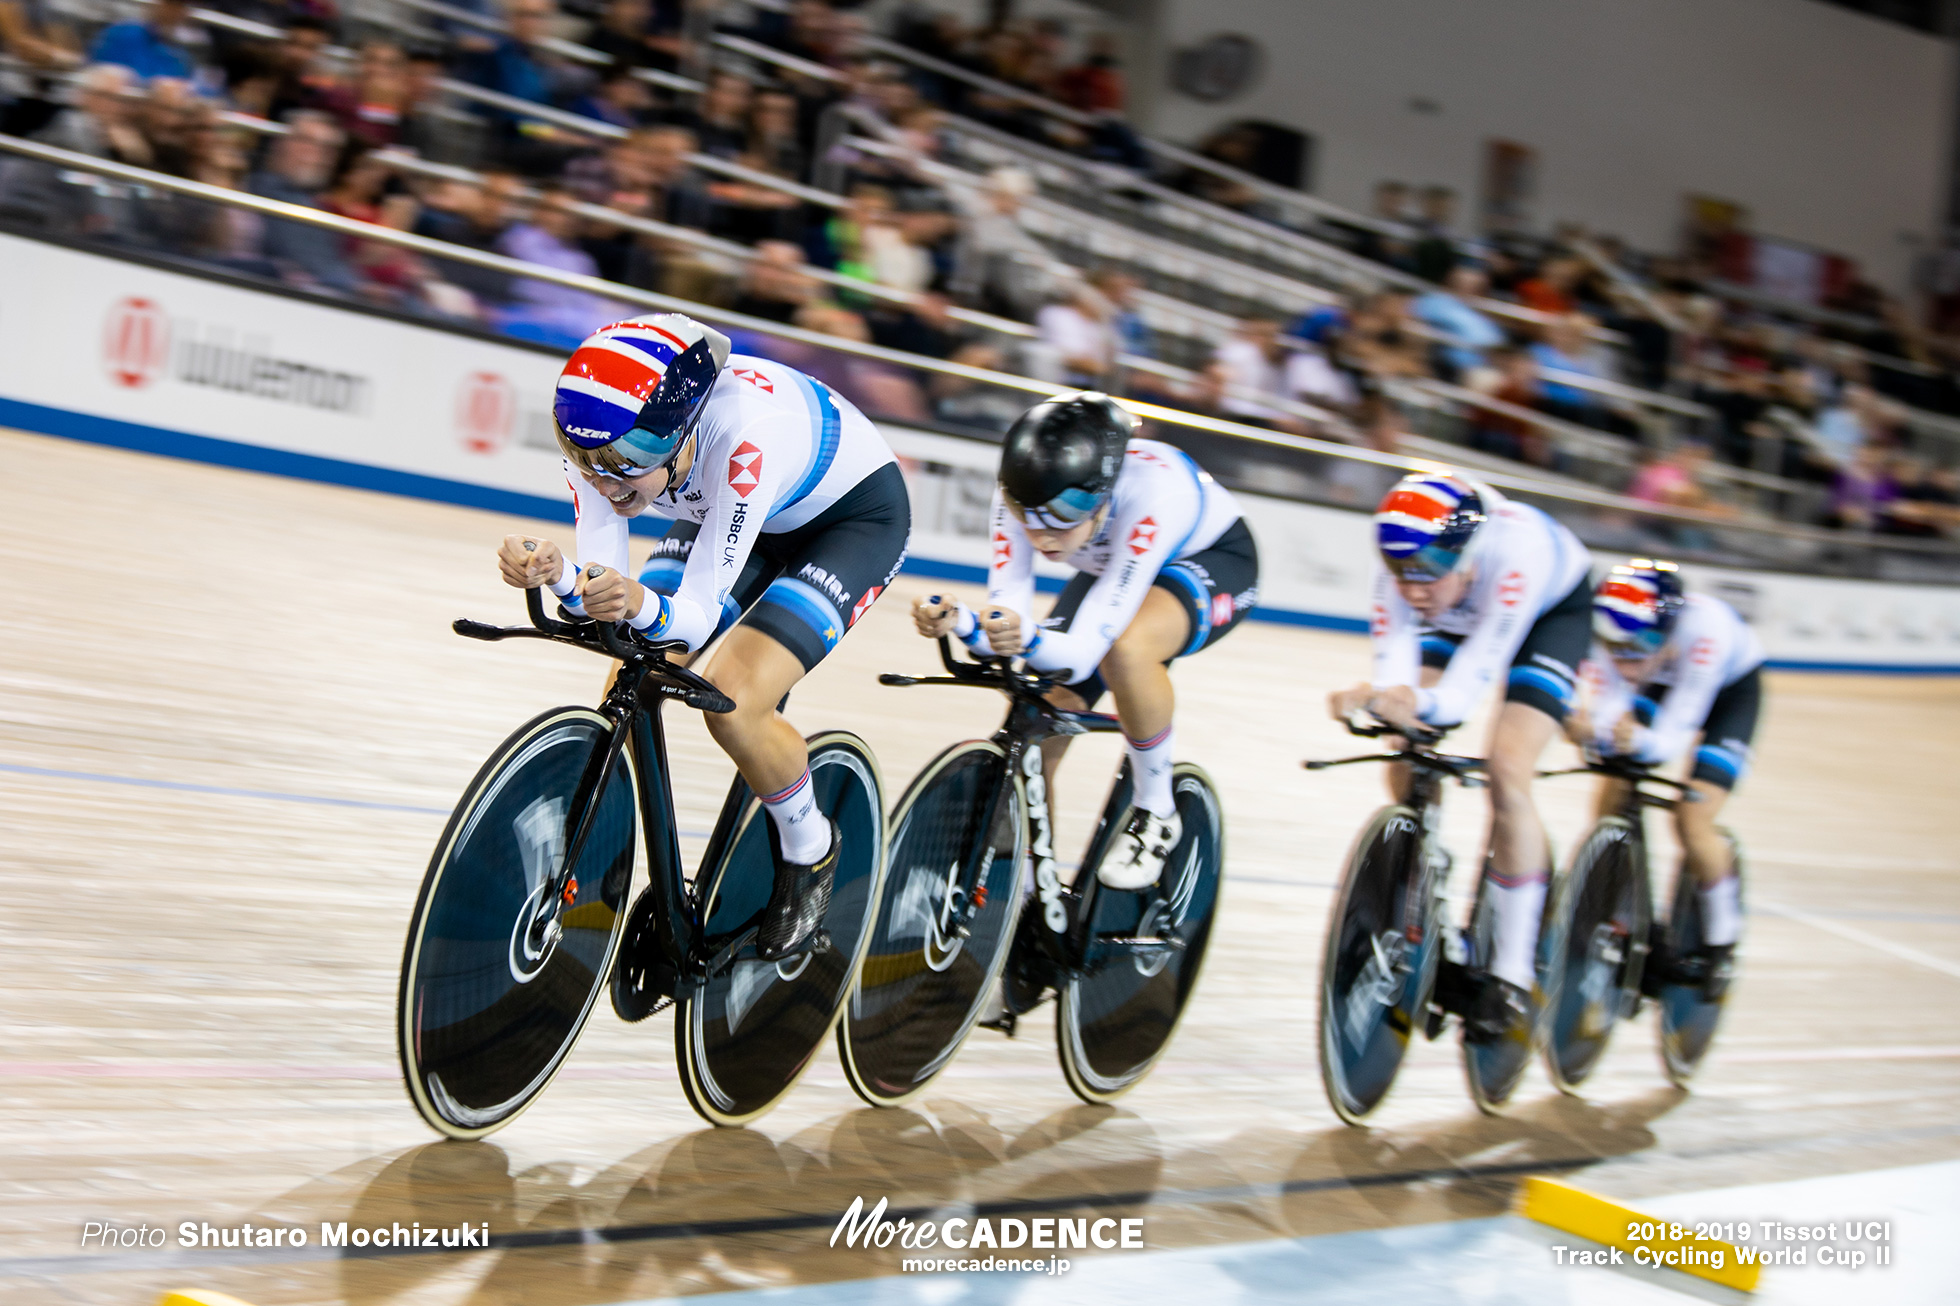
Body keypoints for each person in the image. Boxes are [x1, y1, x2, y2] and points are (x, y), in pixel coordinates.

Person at [496, 313, 910, 959]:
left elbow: (691, 613)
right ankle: (617, 850)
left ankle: (811, 851)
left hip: (847, 522)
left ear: (683, 431)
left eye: (627, 462)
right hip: (729, 508)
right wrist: (562, 575)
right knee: (630, 670)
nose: (604, 480)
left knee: (735, 702)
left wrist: (623, 598)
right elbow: (609, 592)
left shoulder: (745, 439)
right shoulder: (603, 433)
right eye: (586, 461)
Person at [912, 393, 1259, 889]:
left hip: (1208, 560)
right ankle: (1030, 899)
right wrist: (963, 623)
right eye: (1025, 513)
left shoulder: (1156, 499)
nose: (1042, 534)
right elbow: (1006, 620)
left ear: (1104, 493)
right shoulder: (1027, 495)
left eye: (1065, 512)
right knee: (1039, 719)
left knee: (1128, 651)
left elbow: (1079, 656)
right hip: (1111, 567)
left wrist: (1018, 634)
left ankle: (1157, 812)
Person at [1326, 472, 1594, 1057]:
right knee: (1407, 739)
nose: (1412, 588)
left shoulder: (1513, 559)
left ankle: (1513, 975)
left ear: (1467, 558)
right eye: (1403, 574)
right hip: (1464, 612)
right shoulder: (1409, 566)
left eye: (1427, 573)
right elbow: (1397, 669)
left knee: (1508, 771)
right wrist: (1379, 696)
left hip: (1547, 615)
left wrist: (1408, 699)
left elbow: (1466, 688)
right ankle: (1429, 859)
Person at [1568, 561, 1763, 998]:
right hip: (1661, 683)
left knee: (1692, 820)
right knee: (1613, 788)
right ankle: (1621, 907)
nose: (1626, 656)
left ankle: (1721, 941)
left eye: (1639, 645)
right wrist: (1594, 729)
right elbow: (1609, 704)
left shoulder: (1704, 633)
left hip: (1728, 696)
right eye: (1617, 647)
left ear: (1668, 630)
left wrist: (1629, 737)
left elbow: (1673, 737)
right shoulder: (1612, 626)